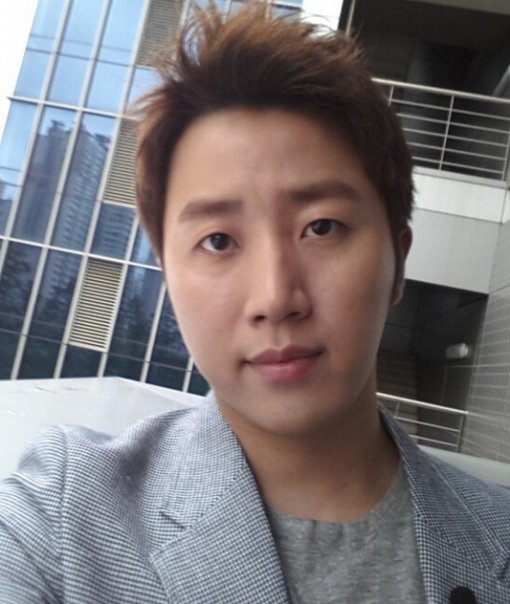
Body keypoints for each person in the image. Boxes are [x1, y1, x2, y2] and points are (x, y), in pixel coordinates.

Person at [0, 3, 509, 603]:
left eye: (321, 227)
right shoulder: (64, 515)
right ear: (169, 276)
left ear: (397, 263)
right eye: (218, 240)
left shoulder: (497, 532)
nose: (275, 297)